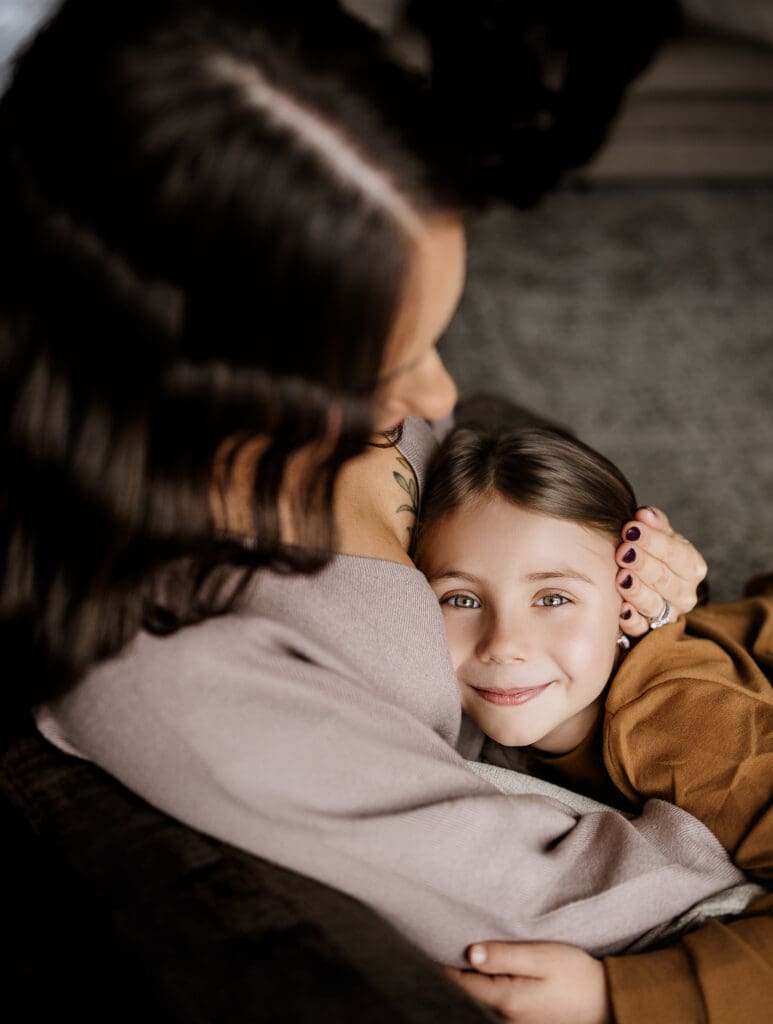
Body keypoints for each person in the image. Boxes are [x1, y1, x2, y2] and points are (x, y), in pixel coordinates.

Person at [0, 0, 752, 1020]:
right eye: (387, 369)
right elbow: (571, 904)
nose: (437, 399)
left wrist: (637, 609)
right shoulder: (172, 677)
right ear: (202, 380)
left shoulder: (314, 425)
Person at [414, 426, 773, 1022]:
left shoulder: (685, 724)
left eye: (553, 598)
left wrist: (613, 996)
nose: (504, 645)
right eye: (462, 599)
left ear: (626, 605)